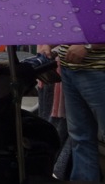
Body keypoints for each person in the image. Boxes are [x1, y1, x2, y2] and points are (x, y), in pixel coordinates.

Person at [36, 42, 105, 182]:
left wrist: (88, 46)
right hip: (69, 69)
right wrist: (51, 44)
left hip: (99, 70)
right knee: (80, 137)